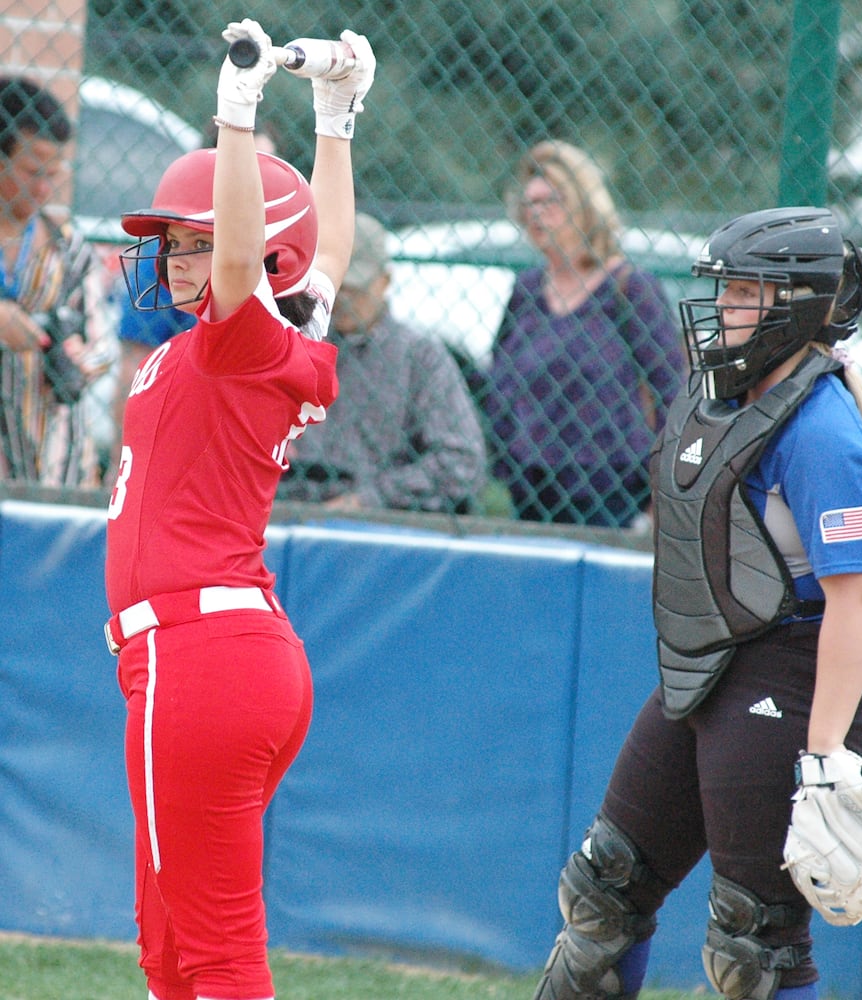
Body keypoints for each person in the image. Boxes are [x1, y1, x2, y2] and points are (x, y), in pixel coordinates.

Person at [531, 208, 862, 1000]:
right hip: (709, 667)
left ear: (797, 304)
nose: (721, 306)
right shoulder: (720, 396)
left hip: (793, 678)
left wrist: (825, 753)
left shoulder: (822, 426)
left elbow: (854, 599)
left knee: (754, 944)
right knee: (603, 893)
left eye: (743, 291)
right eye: (723, 287)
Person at [103, 19, 374, 1000]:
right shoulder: (270, 335)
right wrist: (337, 116)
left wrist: (238, 116)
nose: (178, 258)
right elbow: (325, 245)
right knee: (170, 950)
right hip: (221, 656)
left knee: (213, 959)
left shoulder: (238, 336)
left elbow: (245, 264)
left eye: (194, 240)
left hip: (196, 656)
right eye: (170, 243)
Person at [482, 139, 686, 529]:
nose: (537, 215)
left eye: (551, 201)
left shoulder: (629, 288)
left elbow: (670, 394)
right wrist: (507, 456)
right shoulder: (526, 290)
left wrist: (665, 493)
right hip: (532, 488)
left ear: (584, 206)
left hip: (611, 493)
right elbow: (499, 380)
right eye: (530, 204)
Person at [281, 211, 487, 514]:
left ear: (384, 281)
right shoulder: (294, 341)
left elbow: (462, 460)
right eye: (336, 287)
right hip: (289, 506)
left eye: (354, 289)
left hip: (379, 520)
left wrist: (369, 499)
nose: (342, 300)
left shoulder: (418, 356)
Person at [110, 126, 280, 468]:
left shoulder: (283, 257)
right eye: (248, 167)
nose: (257, 184)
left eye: (267, 169)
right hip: (180, 431)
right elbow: (134, 373)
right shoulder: (168, 260)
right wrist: (122, 468)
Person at [0, 76, 113, 484]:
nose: (44, 188)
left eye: (54, 173)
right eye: (32, 172)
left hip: (53, 465)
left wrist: (81, 357)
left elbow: (103, 349)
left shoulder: (69, 251)